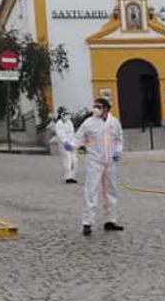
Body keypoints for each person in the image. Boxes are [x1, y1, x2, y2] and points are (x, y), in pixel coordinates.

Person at [75, 97, 124, 235]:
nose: (96, 108)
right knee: (91, 191)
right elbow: (78, 137)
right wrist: (73, 145)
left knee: (111, 191)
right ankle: (87, 222)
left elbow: (119, 139)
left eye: (99, 106)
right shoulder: (89, 123)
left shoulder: (114, 122)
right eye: (95, 106)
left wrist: (118, 153)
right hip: (94, 161)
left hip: (110, 162)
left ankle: (110, 220)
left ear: (107, 108)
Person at [53, 108, 78, 184]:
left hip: (71, 144)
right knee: (67, 160)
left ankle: (72, 176)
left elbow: (72, 134)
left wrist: (74, 143)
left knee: (74, 160)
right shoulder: (59, 124)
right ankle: (68, 177)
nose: (67, 116)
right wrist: (65, 142)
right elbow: (60, 135)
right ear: (61, 115)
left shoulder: (70, 123)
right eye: (66, 114)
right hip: (64, 145)